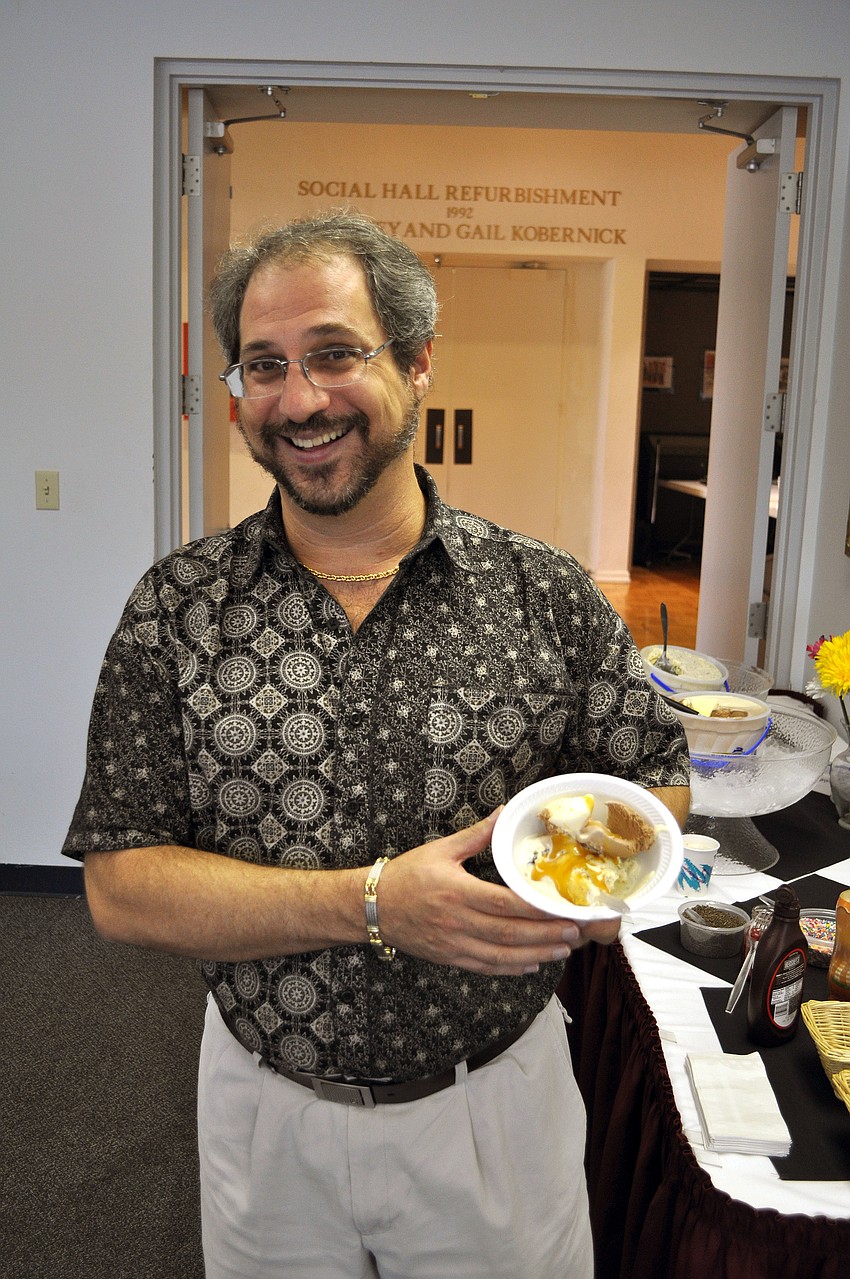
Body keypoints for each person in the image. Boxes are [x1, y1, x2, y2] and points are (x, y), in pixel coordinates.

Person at [64, 210, 690, 1279]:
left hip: (493, 1106)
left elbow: (656, 786)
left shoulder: (541, 593)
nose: (300, 400)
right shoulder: (178, 608)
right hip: (267, 1112)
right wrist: (370, 903)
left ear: (417, 361)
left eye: (336, 353)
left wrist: (593, 893)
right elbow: (122, 886)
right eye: (264, 366)